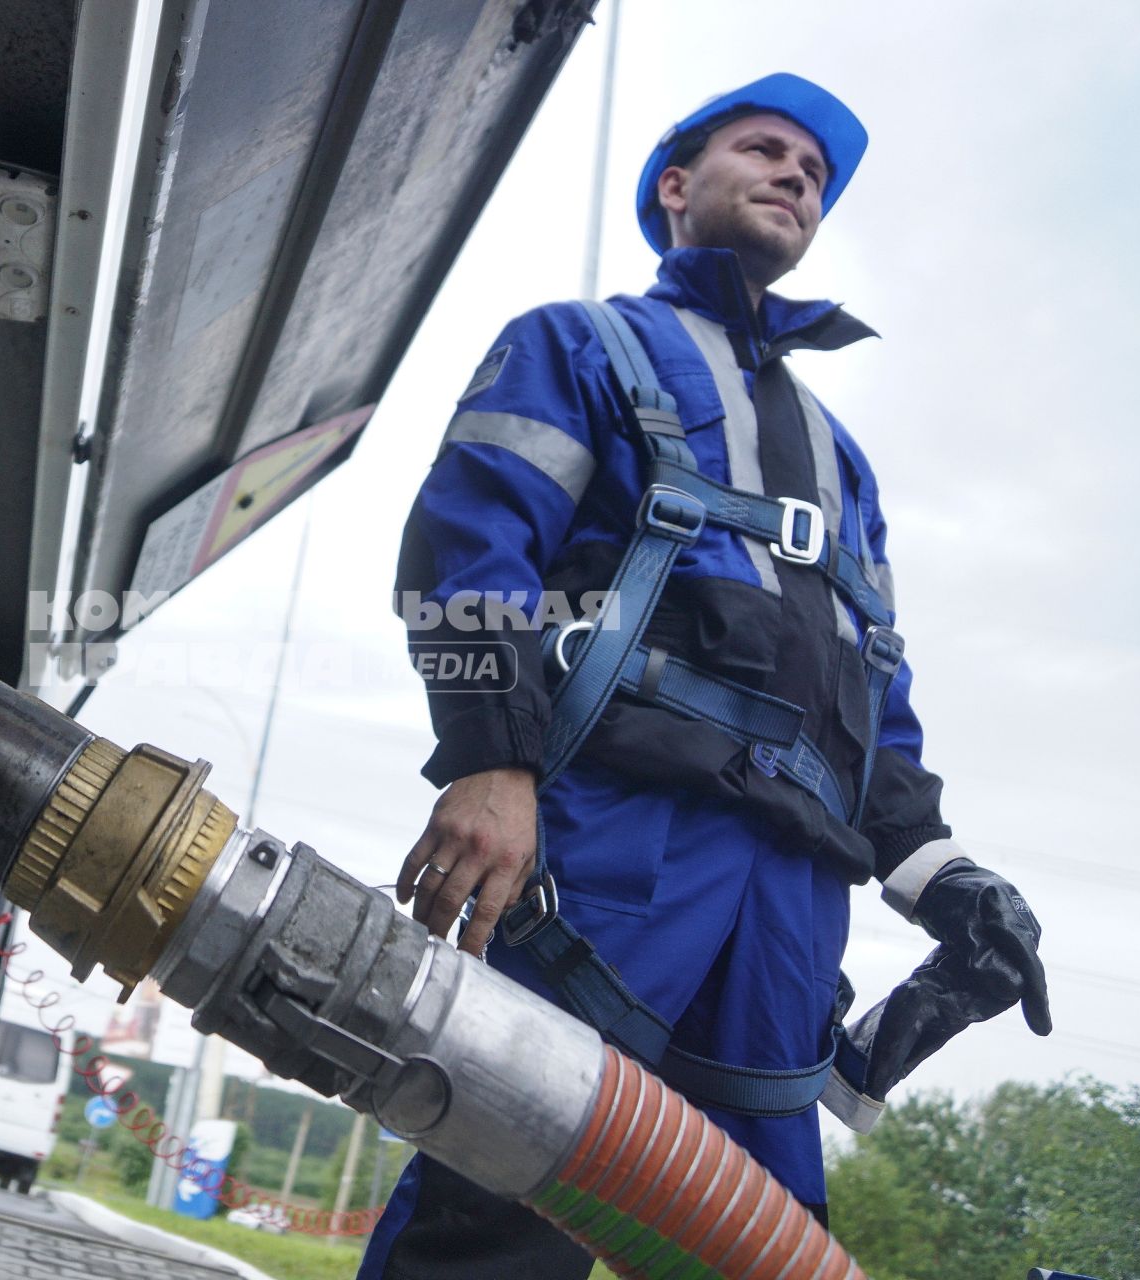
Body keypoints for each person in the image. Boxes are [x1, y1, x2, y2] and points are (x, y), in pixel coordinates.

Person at [358, 74, 1052, 1279]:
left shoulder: (844, 463)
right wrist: (488, 759)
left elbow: (872, 694)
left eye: (814, 174)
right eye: (764, 148)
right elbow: (463, 549)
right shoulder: (577, 344)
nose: (796, 174)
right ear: (676, 188)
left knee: (760, 1250)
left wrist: (946, 878)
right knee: (497, 1209)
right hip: (610, 852)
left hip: (790, 905)